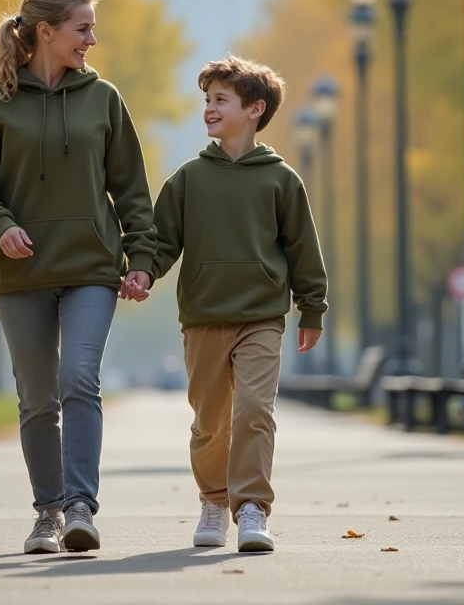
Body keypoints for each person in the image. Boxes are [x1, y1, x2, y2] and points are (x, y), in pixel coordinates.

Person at [0, 0, 154, 554]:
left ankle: (80, 508)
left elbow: (132, 191)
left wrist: (141, 259)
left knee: (78, 380)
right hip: (20, 272)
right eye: (82, 28)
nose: (93, 38)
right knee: (38, 398)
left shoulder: (104, 99)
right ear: (47, 31)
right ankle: (46, 511)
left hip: (92, 266)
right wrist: (0, 224)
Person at [133, 54, 328, 553]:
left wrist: (311, 308)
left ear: (254, 109)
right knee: (210, 420)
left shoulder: (281, 179)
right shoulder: (188, 179)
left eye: (221, 100)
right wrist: (142, 271)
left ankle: (251, 509)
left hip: (262, 316)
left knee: (255, 412)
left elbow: (303, 248)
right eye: (207, 100)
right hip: (203, 316)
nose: (209, 109)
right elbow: (161, 242)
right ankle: (214, 501)